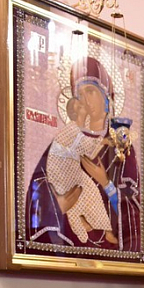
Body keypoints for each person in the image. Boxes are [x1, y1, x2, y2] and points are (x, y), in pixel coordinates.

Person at [26, 55, 141, 253]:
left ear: (105, 95)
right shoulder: (66, 137)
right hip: (67, 244)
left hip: (108, 250)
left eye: (91, 91)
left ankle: (102, 231)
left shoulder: (121, 147)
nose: (86, 100)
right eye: (80, 94)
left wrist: (106, 183)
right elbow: (39, 183)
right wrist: (57, 204)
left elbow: (136, 208)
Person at [45, 97, 118, 245]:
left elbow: (88, 140)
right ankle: (79, 226)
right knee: (73, 197)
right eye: (82, 106)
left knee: (91, 191)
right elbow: (85, 146)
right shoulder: (72, 129)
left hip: (71, 167)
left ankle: (105, 230)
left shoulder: (79, 127)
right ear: (77, 111)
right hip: (60, 169)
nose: (87, 107)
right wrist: (104, 141)